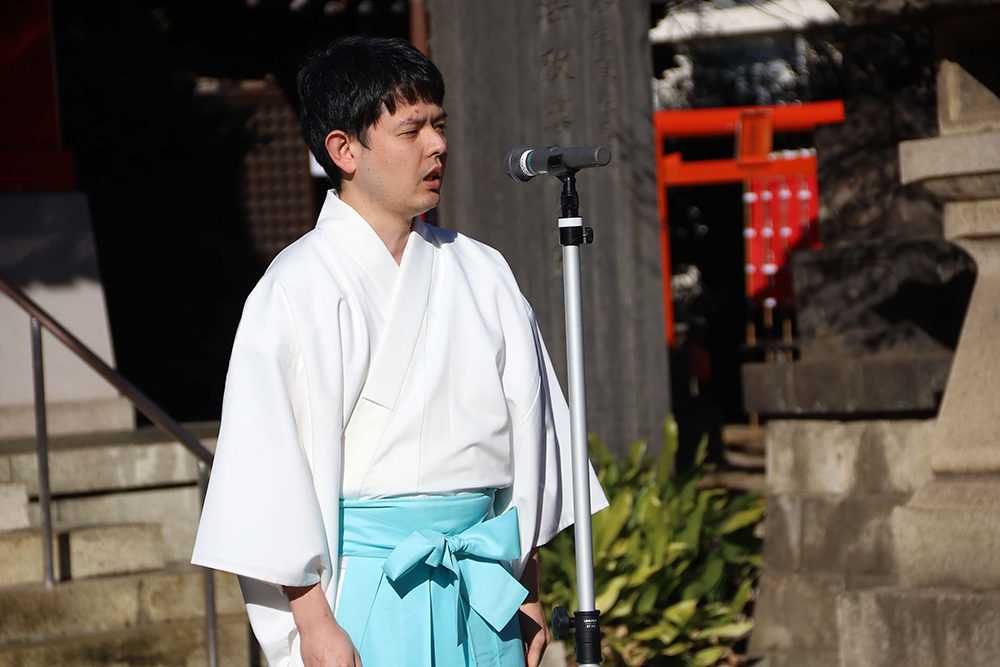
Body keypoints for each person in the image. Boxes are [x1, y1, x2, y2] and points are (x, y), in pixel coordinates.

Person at [191, 35, 609, 667]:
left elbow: (531, 439)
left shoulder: (483, 271)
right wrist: (313, 623)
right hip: (364, 594)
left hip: (484, 585)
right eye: (411, 129)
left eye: (439, 125)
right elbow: (269, 471)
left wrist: (527, 585)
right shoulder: (295, 285)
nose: (437, 144)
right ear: (345, 149)